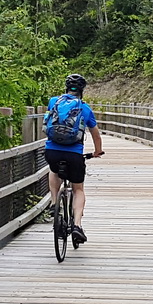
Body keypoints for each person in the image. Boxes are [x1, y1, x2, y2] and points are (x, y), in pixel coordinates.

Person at [44, 73, 103, 244]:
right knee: (78, 189)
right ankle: (77, 225)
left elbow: (47, 123)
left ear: (66, 88)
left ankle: (55, 203)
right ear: (82, 90)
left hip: (52, 151)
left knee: (53, 170)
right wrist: (97, 151)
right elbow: (96, 135)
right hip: (75, 154)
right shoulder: (85, 109)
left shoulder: (54, 101)